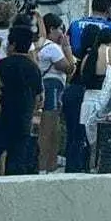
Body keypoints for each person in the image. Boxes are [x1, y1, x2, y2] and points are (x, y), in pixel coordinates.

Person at [0, 25, 42, 176]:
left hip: (1, 121)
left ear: (13, 44)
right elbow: (39, 97)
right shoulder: (33, 68)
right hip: (22, 123)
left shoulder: (3, 65)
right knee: (15, 167)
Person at [34, 12, 73, 173]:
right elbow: (69, 67)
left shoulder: (40, 45)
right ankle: (45, 165)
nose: (62, 33)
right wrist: (67, 47)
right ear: (52, 29)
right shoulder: (53, 48)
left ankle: (44, 164)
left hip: (45, 88)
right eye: (59, 29)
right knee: (49, 128)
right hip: (53, 89)